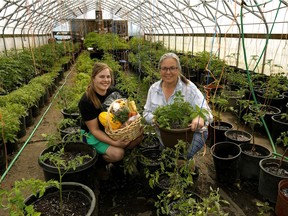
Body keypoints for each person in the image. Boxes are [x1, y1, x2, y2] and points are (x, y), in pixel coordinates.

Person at [143, 52, 213, 160]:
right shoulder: (154, 89)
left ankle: (186, 161)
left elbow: (207, 112)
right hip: (165, 135)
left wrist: (199, 118)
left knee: (181, 157)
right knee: (166, 159)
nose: (168, 72)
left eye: (172, 68)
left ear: (178, 70)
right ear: (159, 70)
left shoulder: (189, 88)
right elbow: (146, 113)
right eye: (164, 68)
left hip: (191, 134)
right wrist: (156, 119)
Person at [78, 62, 131, 163]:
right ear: (93, 78)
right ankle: (99, 163)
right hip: (92, 134)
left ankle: (118, 162)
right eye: (102, 77)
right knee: (118, 153)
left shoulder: (114, 92)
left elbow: (125, 110)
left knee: (136, 138)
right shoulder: (86, 101)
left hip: (110, 129)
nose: (106, 80)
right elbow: (95, 130)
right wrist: (115, 143)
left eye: (108, 77)